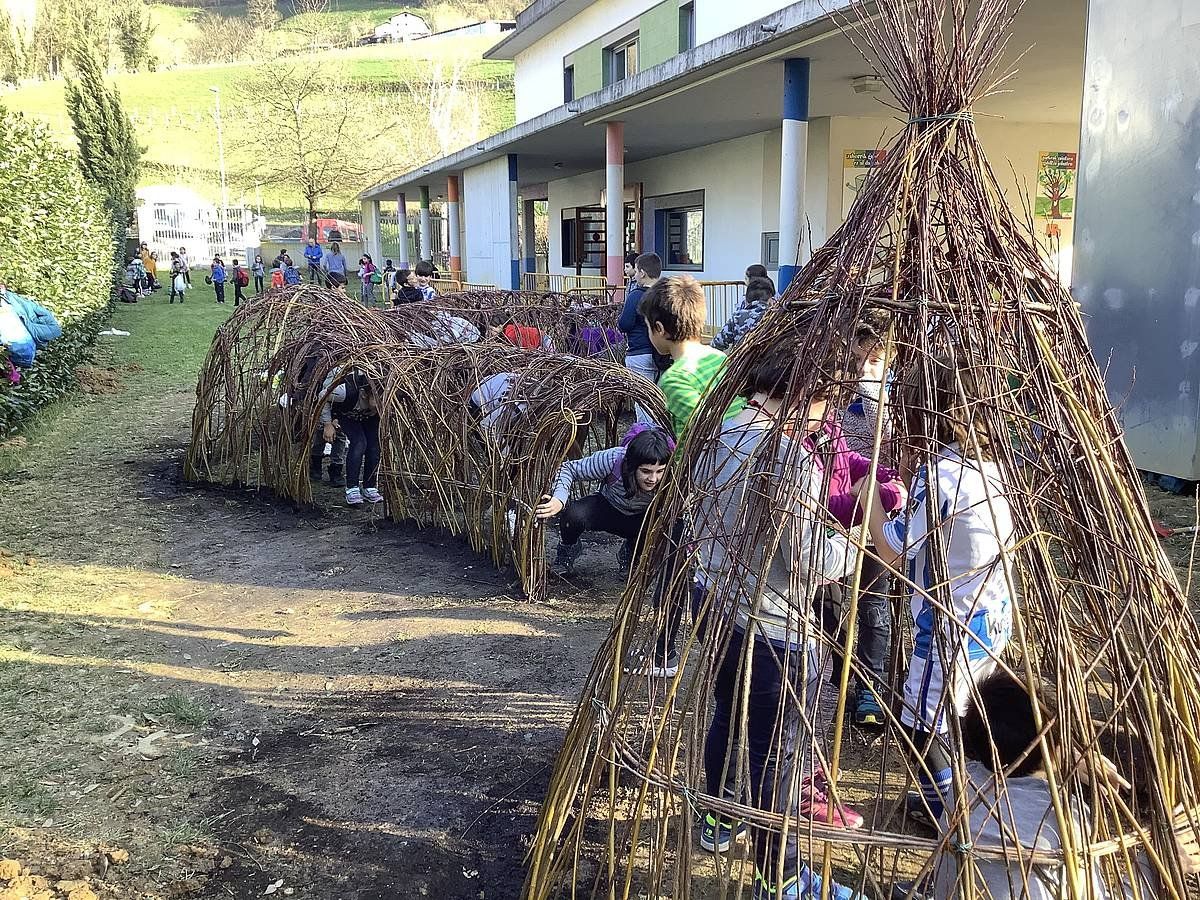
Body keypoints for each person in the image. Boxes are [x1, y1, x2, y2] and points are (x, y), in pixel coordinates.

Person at [692, 346, 865, 900]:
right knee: (778, 753)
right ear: (808, 394)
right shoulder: (787, 457)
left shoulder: (722, 431)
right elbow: (810, 559)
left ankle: (717, 820)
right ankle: (782, 875)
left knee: (728, 710)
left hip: (714, 603)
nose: (828, 416)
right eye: (828, 400)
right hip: (773, 625)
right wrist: (857, 542)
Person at [856, 352, 1015, 832]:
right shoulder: (986, 467)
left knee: (922, 726)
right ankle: (952, 801)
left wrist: (871, 504)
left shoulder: (942, 476)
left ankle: (954, 815)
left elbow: (893, 552)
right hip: (991, 616)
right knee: (959, 714)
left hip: (953, 628)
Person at [535, 426, 674, 576]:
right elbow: (568, 469)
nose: (653, 479)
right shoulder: (614, 459)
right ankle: (567, 550)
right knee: (574, 515)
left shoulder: (672, 475)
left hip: (643, 518)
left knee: (664, 525)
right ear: (632, 465)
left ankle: (632, 552)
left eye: (659, 471)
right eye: (645, 471)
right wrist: (559, 499)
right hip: (609, 507)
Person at [642, 274, 745, 440]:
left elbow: (709, 428)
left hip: (702, 463)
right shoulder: (719, 358)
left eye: (648, 327)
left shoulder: (674, 380)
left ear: (659, 328)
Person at [319, 370, 382, 506]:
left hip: (369, 416)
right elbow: (323, 396)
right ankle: (352, 488)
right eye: (376, 399)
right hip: (347, 414)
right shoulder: (345, 392)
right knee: (359, 443)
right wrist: (328, 423)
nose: (380, 402)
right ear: (365, 394)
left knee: (374, 446)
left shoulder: (378, 403)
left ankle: (369, 487)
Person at [618, 252, 662, 423]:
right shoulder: (666, 294)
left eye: (636, 271)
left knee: (644, 403)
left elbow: (624, 324)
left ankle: (648, 442)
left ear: (642, 273)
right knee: (659, 402)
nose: (635, 275)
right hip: (664, 356)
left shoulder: (636, 295)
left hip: (639, 353)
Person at [711, 275, 777, 352]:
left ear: (745, 300)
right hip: (771, 363)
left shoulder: (737, 317)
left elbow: (716, 344)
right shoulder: (776, 317)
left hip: (740, 362)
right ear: (770, 300)